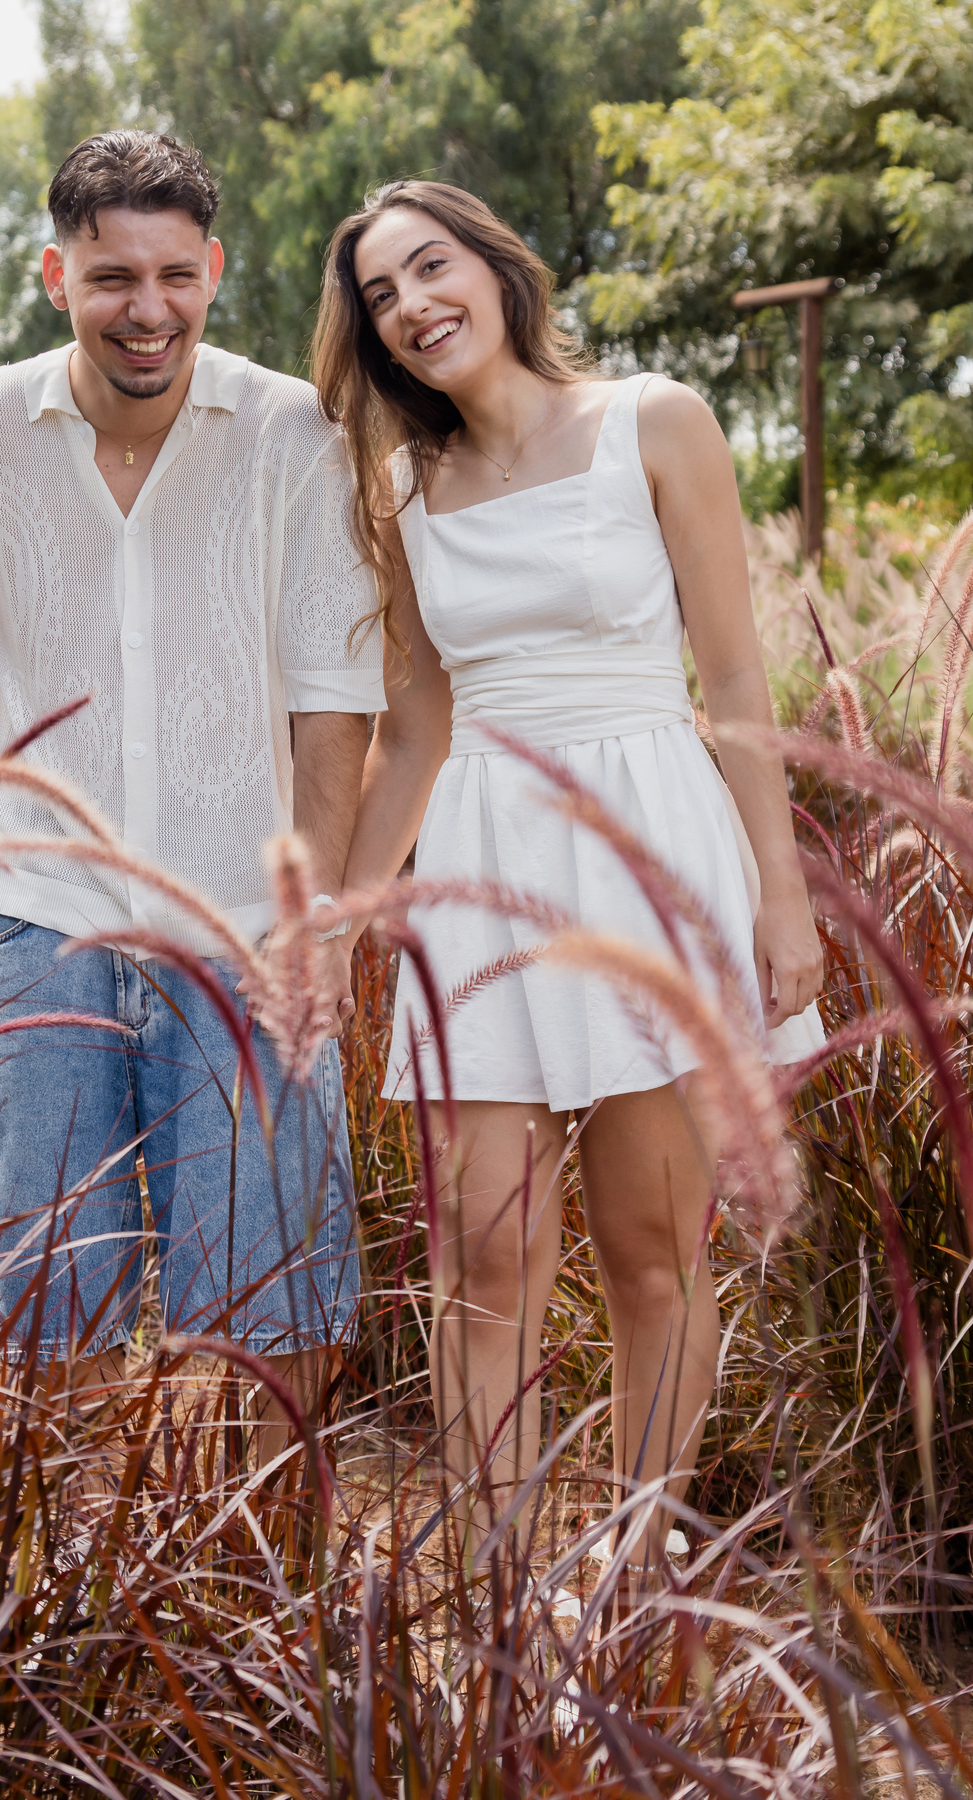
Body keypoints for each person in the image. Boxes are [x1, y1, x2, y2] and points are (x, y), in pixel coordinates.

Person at [313, 180, 824, 1560]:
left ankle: (634, 1584)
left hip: (652, 848)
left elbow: (734, 681)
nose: (414, 306)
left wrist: (780, 895)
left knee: (651, 1252)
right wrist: (346, 913)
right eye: (381, 296)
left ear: (496, 267)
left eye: (432, 267)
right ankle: (496, 1592)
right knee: (486, 1254)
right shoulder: (402, 490)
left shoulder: (655, 421)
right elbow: (416, 728)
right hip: (484, 865)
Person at [0, 131, 383, 1476]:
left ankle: (263, 1589)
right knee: (53, 1304)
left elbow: (333, 702)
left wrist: (314, 918)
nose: (147, 308)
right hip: (44, 927)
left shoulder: (292, 432)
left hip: (247, 928)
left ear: (214, 270)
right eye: (112, 275)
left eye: (175, 274)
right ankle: (81, 1587)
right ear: (56, 274)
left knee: (276, 1310)